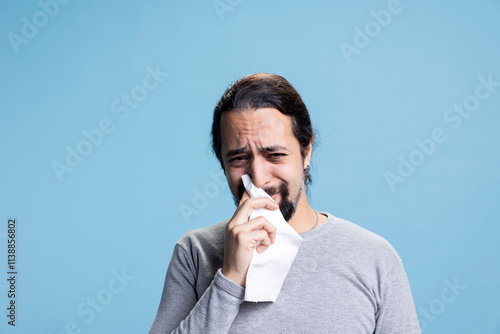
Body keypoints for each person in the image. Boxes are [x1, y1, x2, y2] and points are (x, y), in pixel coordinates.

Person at [149, 73, 421, 333]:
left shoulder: (374, 258)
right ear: (222, 164)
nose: (259, 177)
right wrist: (229, 276)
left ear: (306, 152)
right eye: (238, 159)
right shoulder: (195, 252)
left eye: (275, 155)